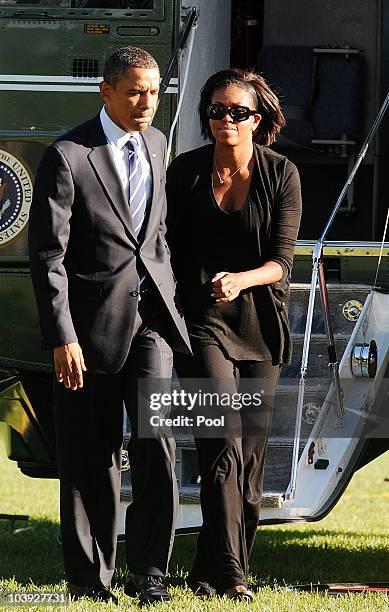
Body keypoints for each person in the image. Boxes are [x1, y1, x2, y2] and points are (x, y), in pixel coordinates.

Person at [28, 46, 191, 605]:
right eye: (135, 92)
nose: (147, 103)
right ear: (106, 92)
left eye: (154, 91)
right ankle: (90, 580)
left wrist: (169, 294)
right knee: (90, 458)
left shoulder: (158, 143)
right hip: (88, 331)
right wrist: (63, 336)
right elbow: (49, 256)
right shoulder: (68, 155)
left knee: (158, 448)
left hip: (152, 324)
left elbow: (156, 232)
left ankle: (151, 573)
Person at [166, 68, 302, 602]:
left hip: (261, 324)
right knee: (219, 438)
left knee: (248, 454)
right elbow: (167, 247)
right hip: (202, 323)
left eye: (238, 112)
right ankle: (231, 574)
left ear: (259, 119)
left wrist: (241, 279)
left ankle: (214, 566)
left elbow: (282, 263)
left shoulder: (281, 173)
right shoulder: (187, 172)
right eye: (217, 110)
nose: (226, 119)